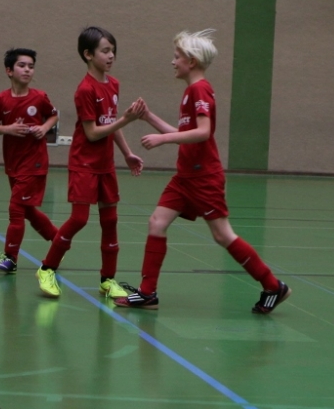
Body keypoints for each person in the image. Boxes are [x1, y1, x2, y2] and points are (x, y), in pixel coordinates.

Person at [115, 29, 290, 314]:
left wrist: (162, 139)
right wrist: (147, 117)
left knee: (223, 235)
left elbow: (204, 132)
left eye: (177, 57)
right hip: (184, 177)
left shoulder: (200, 90)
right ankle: (147, 294)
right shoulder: (190, 92)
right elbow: (186, 133)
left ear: (192, 61)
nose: (173, 62)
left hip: (204, 178)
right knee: (157, 222)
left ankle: (273, 285)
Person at [35, 26, 145, 299]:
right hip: (84, 163)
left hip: (106, 164)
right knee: (79, 219)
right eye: (105, 51)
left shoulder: (114, 84)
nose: (111, 56)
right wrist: (126, 120)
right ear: (88, 54)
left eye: (113, 51)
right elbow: (93, 132)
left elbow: (110, 123)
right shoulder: (85, 90)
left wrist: (127, 153)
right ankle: (47, 268)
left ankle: (108, 280)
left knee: (111, 220)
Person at [0, 48, 60, 273]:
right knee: (28, 211)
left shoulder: (39, 97)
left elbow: (53, 115)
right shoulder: (0, 99)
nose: (27, 69)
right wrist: (8, 129)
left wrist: (44, 128)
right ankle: (59, 240)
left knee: (16, 209)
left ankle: (10, 258)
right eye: (22, 65)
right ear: (9, 71)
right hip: (13, 163)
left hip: (35, 162)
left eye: (31, 66)